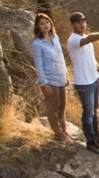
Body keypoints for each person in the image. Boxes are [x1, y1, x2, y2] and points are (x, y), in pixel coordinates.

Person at [66, 11, 99, 154]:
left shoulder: (83, 38)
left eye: (83, 21)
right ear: (73, 25)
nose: (82, 24)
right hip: (83, 82)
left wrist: (97, 67)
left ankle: (97, 135)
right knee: (88, 113)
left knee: (95, 110)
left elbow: (89, 54)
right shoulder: (74, 40)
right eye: (79, 22)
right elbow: (88, 39)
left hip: (93, 78)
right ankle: (90, 141)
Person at [30, 12, 70, 141]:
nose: (45, 25)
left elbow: (61, 58)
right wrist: (44, 83)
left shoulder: (55, 37)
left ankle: (64, 130)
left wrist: (65, 74)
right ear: (38, 27)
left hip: (60, 77)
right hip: (49, 80)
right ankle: (58, 133)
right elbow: (39, 66)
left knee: (63, 106)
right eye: (42, 23)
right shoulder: (37, 44)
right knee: (53, 107)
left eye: (47, 22)